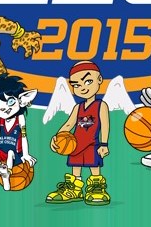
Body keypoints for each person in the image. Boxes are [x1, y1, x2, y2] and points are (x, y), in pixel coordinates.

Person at [46, 61, 111, 206]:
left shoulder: (101, 105)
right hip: (75, 144)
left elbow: (105, 125)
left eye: (88, 81)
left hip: (93, 144)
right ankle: (74, 190)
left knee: (94, 166)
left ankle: (96, 188)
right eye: (76, 85)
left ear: (99, 79)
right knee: (75, 167)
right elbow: (69, 124)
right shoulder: (78, 107)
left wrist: (104, 144)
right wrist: (56, 137)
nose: (83, 88)